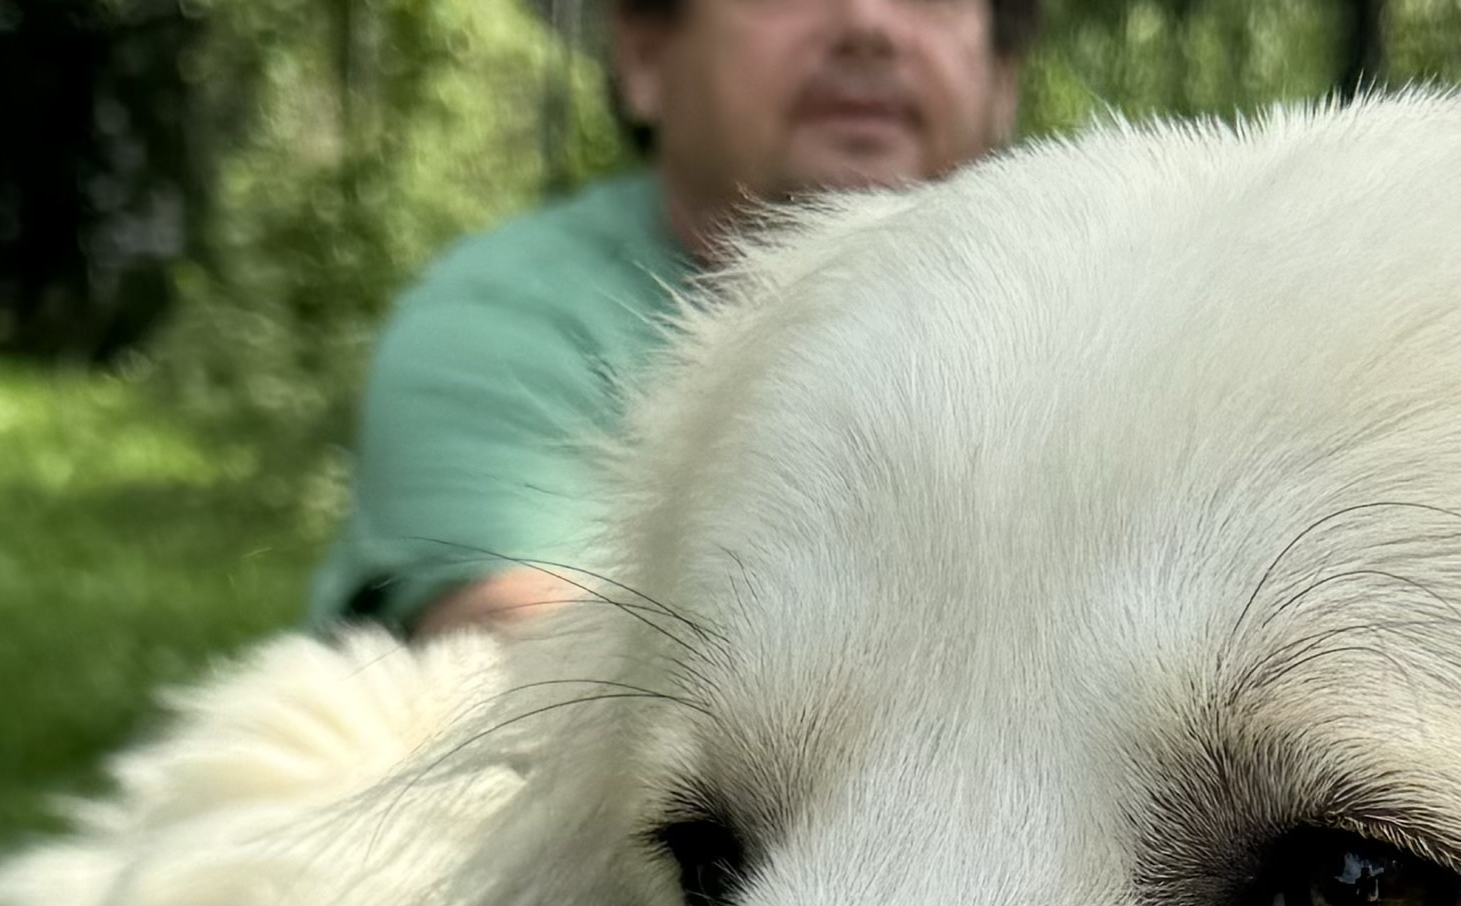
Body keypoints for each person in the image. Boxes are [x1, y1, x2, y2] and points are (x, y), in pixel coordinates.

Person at [308, 0, 1031, 645]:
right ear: (645, 56)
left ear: (1002, 79)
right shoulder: (501, 328)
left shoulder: (1093, 337)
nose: (867, 22)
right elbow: (543, 696)